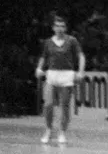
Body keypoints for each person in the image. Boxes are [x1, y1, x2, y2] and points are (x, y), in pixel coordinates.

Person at [34, 12, 85, 145]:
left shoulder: (72, 40)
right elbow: (43, 57)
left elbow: (81, 56)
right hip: (52, 75)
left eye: (62, 26)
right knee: (48, 104)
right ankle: (48, 130)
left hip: (67, 75)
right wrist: (39, 68)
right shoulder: (48, 42)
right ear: (53, 28)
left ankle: (62, 132)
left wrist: (80, 72)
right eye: (57, 26)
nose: (60, 28)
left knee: (65, 106)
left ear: (65, 28)